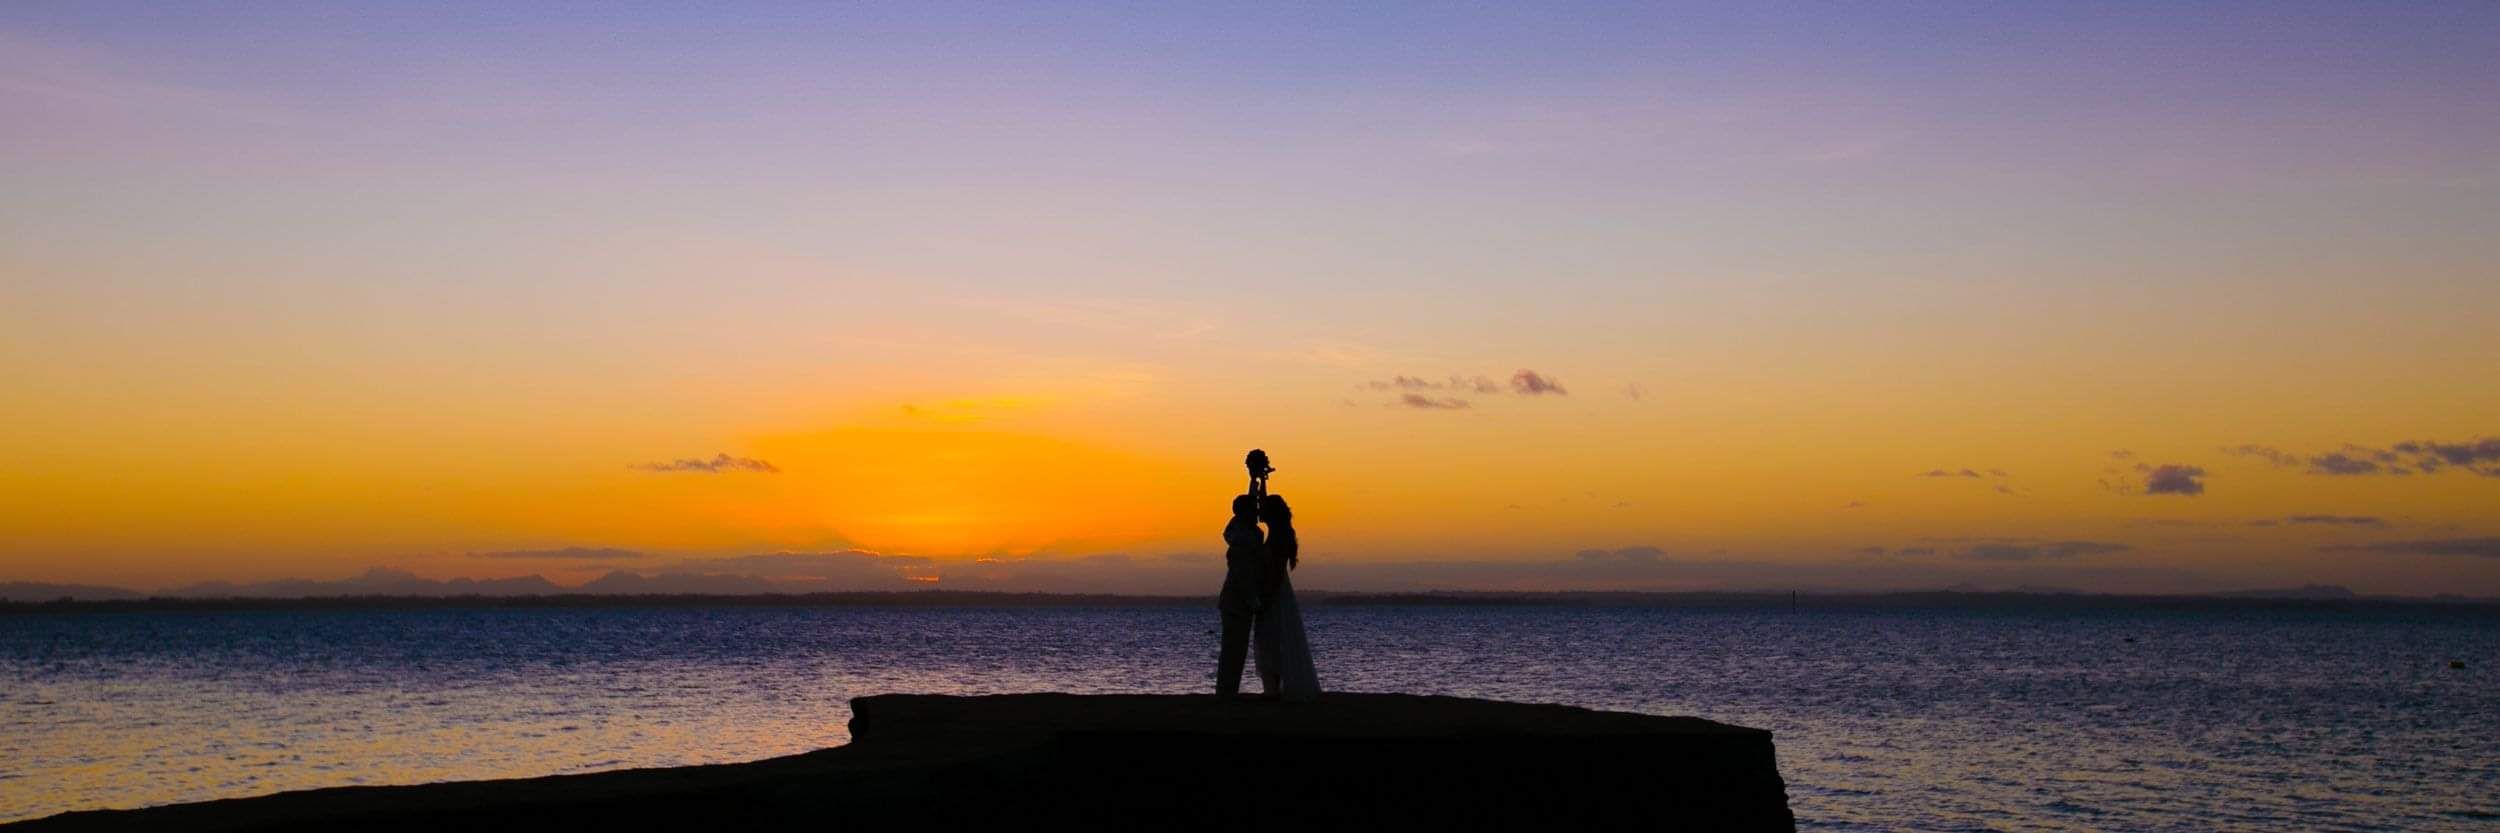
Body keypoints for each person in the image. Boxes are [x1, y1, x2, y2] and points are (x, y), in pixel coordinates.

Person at [1251, 493, 1321, 701]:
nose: (1259, 512)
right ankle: (1274, 687)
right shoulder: (1278, 532)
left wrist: (1266, 596)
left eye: (1264, 510)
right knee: (1273, 638)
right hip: (1275, 590)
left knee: (1273, 637)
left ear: (1271, 514)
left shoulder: (1279, 537)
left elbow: (1276, 570)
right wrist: (1258, 479)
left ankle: (1275, 688)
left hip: (1275, 593)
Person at [1213, 493, 1267, 697]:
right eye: (1252, 510)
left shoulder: (1243, 533)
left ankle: (1228, 690)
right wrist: (1253, 600)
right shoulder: (1241, 538)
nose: (1256, 513)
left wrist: (1255, 480)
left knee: (1237, 649)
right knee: (1233, 649)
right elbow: (1241, 574)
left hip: (1238, 601)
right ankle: (1226, 691)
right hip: (1236, 602)